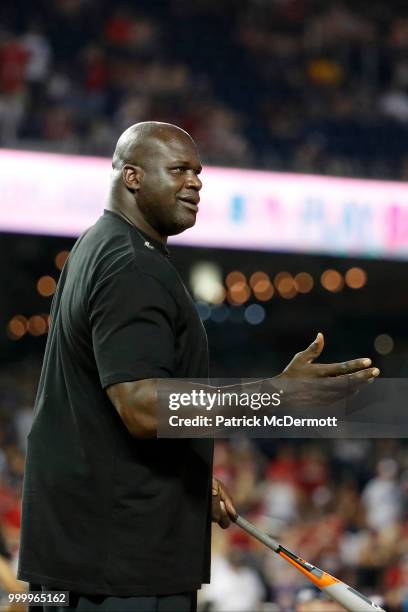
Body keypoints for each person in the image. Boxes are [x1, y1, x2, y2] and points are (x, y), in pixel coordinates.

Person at [17, 122, 379, 612]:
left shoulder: (97, 245)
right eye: (179, 170)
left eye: (199, 172)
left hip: (87, 556)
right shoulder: (131, 265)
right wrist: (275, 395)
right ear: (132, 176)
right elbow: (141, 406)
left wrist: (181, 478)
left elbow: (100, 407)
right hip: (121, 570)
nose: (196, 182)